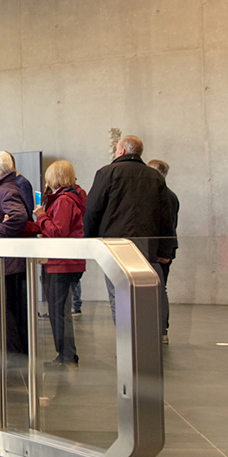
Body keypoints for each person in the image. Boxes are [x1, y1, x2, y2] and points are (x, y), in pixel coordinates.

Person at [83, 135, 175, 341]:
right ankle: (146, 342)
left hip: (114, 246)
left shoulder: (107, 173)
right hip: (147, 247)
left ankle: (127, 342)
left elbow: (92, 209)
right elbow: (165, 217)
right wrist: (164, 250)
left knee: (119, 294)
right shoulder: (155, 177)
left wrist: (88, 241)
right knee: (145, 296)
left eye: (116, 149)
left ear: (122, 151)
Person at [28, 160, 86, 366]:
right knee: (60, 310)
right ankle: (66, 353)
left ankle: (66, 355)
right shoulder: (71, 198)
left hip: (60, 261)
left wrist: (41, 216)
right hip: (66, 260)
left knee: (58, 311)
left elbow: (57, 231)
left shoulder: (63, 201)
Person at [0, 150, 31, 355]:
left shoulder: (4, 190)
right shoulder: (8, 187)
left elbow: (18, 217)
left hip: (9, 262)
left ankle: (14, 356)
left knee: (8, 312)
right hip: (10, 261)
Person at [148, 159, 180, 344]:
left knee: (159, 291)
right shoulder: (167, 195)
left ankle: (161, 330)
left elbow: (168, 226)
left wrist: (164, 252)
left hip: (161, 251)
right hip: (161, 249)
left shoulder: (165, 196)